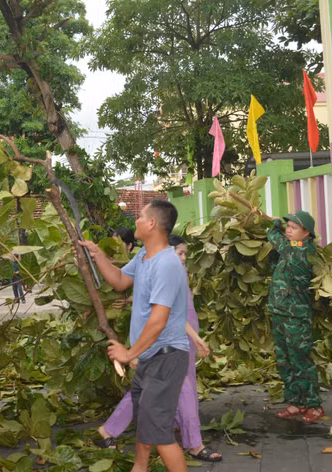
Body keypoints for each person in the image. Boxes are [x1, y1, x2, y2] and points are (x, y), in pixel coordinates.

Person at [79, 200, 189, 472]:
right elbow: (118, 281)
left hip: (166, 358)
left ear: (152, 223)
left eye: (140, 216)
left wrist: (129, 353)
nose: (136, 220)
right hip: (151, 358)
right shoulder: (144, 257)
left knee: (161, 434)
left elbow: (158, 321)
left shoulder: (167, 264)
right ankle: (140, 468)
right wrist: (97, 255)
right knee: (145, 422)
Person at [94, 235, 222, 463]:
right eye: (179, 253)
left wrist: (131, 299)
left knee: (150, 388)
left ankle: (108, 431)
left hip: (179, 339)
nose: (183, 258)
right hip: (175, 340)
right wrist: (197, 338)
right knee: (183, 389)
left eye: (185, 254)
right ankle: (194, 444)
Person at [267, 210, 324, 424]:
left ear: (306, 233)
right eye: (287, 226)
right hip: (280, 313)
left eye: (293, 228)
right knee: (284, 360)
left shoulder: (301, 251)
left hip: (297, 317)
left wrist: (274, 227)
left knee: (301, 361)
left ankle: (314, 404)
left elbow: (276, 239)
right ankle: (295, 402)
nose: (288, 231)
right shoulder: (289, 249)